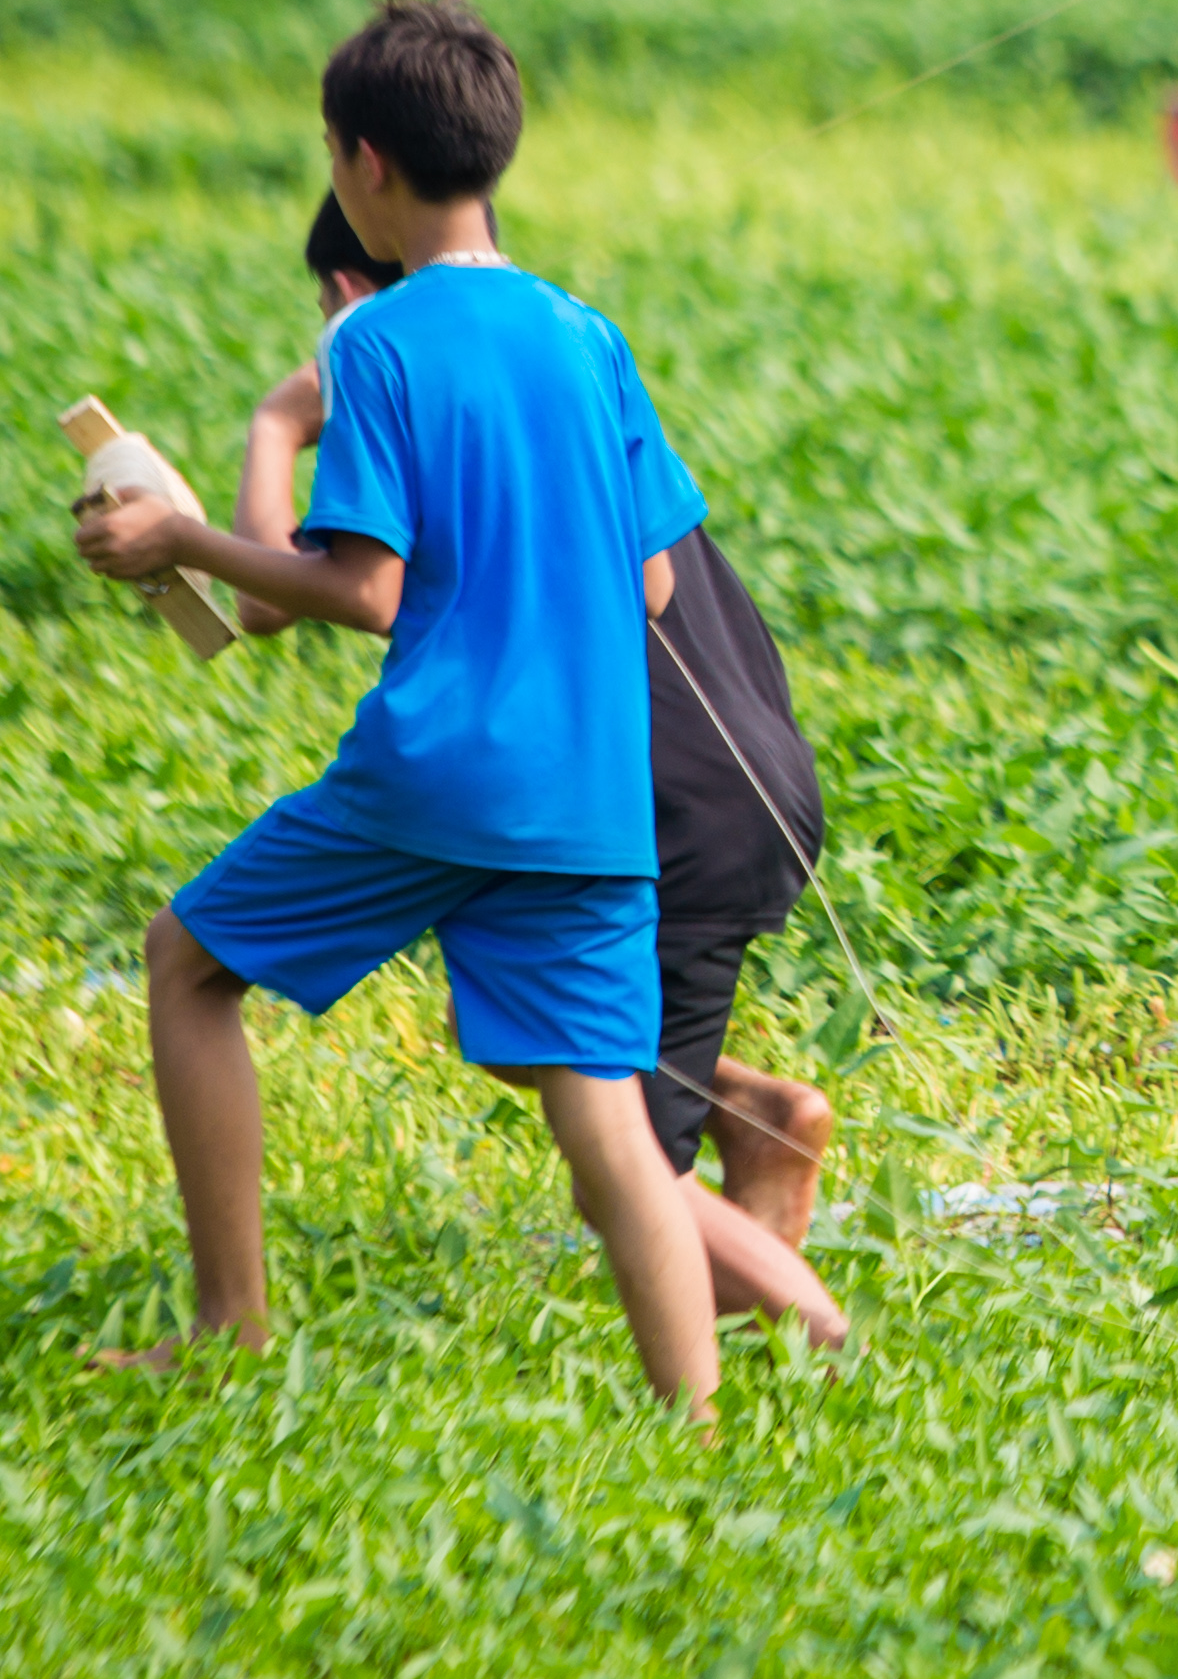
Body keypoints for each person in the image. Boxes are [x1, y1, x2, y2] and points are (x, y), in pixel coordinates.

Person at [75, 0, 723, 1419]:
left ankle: (230, 1324)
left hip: (445, 768)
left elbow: (362, 590)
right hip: (592, 793)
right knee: (605, 1123)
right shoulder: (584, 333)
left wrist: (179, 540)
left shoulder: (376, 342)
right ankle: (699, 1428)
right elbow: (658, 592)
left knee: (186, 963)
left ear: (365, 162)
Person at [232, 195, 847, 1350]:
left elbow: (274, 593)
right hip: (738, 773)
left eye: (325, 309)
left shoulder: (399, 367)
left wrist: (276, 422)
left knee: (613, 1163)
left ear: (359, 299)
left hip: (647, 796)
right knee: (533, 1042)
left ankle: (810, 1323)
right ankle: (755, 1122)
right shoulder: (559, 372)